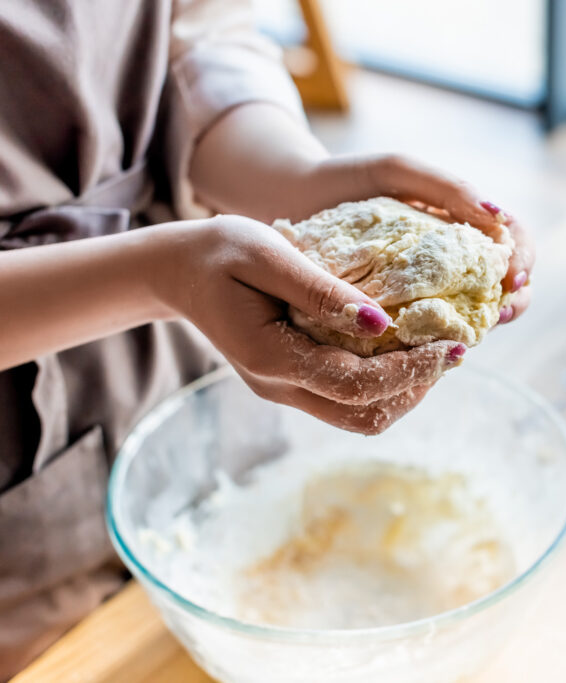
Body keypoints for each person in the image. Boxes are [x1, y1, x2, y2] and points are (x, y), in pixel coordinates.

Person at [0, 1, 534, 676]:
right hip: (17, 541)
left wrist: (298, 180)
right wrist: (158, 274)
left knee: (249, 537)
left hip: (195, 349)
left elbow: (198, 33)